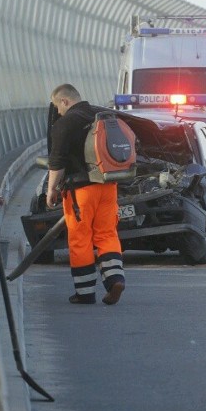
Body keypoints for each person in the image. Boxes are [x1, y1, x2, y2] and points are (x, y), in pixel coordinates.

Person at [47, 84, 125, 305]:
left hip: (81, 190)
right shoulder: (101, 115)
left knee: (80, 238)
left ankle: (85, 292)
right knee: (107, 234)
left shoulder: (65, 123)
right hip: (108, 185)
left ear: (64, 101)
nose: (58, 112)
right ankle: (115, 279)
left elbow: (57, 163)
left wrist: (51, 190)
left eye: (57, 106)